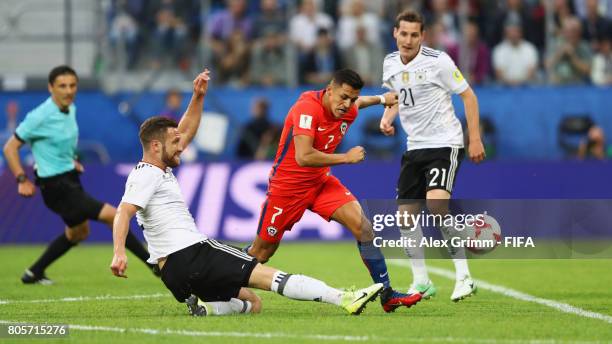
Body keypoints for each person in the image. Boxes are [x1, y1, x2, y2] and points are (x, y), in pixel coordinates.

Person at [110, 69, 383, 316]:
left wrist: (197, 97)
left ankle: (207, 307)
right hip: (192, 254)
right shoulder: (146, 173)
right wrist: (119, 252)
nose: (182, 146)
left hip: (173, 274)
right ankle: (343, 297)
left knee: (252, 303)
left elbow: (185, 131)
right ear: (156, 146)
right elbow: (124, 210)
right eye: (175, 143)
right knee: (269, 275)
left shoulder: (160, 167)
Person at [245, 68, 422, 313]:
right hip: (288, 188)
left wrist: (383, 99)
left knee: (364, 227)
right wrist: (346, 158)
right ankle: (215, 281)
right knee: (261, 252)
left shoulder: (349, 106)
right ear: (329, 90)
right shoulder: (307, 108)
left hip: (320, 183)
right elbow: (304, 156)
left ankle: (387, 294)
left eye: (350, 98)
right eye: (342, 97)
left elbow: (360, 102)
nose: (346, 104)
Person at [2, 65, 154, 285]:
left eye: (72, 85)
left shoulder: (70, 109)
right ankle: (152, 265)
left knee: (78, 233)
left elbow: (56, 144)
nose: (68, 90)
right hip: (56, 186)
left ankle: (33, 272)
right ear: (50, 88)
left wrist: (69, 160)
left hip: (69, 180)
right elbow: (10, 148)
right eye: (62, 86)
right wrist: (21, 179)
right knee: (114, 215)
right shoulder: (39, 116)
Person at [379, 11, 485, 302]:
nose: (409, 40)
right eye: (404, 34)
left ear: (422, 36)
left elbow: (469, 96)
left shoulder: (438, 61)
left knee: (436, 203)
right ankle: (421, 280)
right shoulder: (389, 64)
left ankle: (464, 277)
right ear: (395, 33)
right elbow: (397, 98)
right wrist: (387, 118)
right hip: (414, 147)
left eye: (415, 35)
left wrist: (473, 138)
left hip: (445, 143)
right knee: (404, 217)